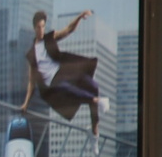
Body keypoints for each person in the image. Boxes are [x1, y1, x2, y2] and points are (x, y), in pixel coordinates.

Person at [17, 8, 101, 138]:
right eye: (39, 27)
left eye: (43, 27)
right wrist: (25, 104)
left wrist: (79, 17)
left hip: (63, 72)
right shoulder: (31, 54)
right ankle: (95, 100)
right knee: (75, 92)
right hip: (52, 83)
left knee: (93, 86)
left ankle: (95, 131)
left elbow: (68, 29)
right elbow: (31, 82)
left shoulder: (50, 38)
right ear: (34, 28)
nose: (41, 30)